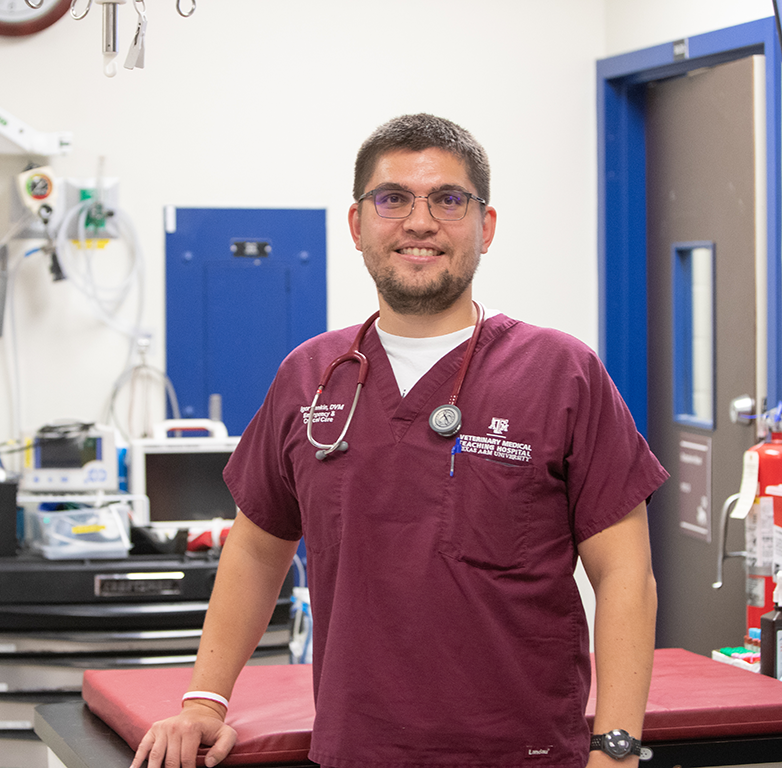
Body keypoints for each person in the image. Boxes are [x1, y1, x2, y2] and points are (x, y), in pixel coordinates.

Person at [131, 114, 668, 768]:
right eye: (392, 199)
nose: (420, 222)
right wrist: (204, 701)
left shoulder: (563, 374)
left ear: (485, 226)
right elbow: (255, 549)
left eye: (448, 199)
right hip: (356, 751)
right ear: (357, 225)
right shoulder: (310, 376)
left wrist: (615, 748)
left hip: (525, 753)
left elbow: (626, 576)